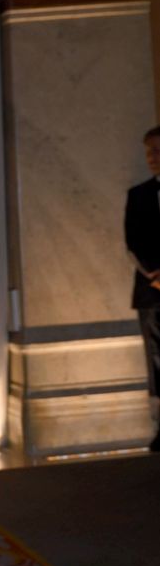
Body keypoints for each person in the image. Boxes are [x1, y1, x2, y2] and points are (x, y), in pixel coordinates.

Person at [125, 125, 160, 452]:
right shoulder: (138, 195)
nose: (152, 158)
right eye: (149, 151)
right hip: (152, 290)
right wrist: (155, 273)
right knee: (156, 358)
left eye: (158, 150)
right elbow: (132, 242)